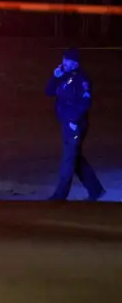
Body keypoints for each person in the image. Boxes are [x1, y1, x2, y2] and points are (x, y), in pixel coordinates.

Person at [44, 48, 106, 202]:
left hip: (75, 125)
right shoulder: (63, 75)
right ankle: (95, 189)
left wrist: (73, 120)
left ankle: (60, 195)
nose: (65, 63)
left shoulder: (81, 79)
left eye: (69, 61)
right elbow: (49, 92)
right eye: (64, 59)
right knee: (75, 157)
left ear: (76, 63)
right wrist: (55, 77)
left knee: (68, 159)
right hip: (67, 123)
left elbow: (85, 102)